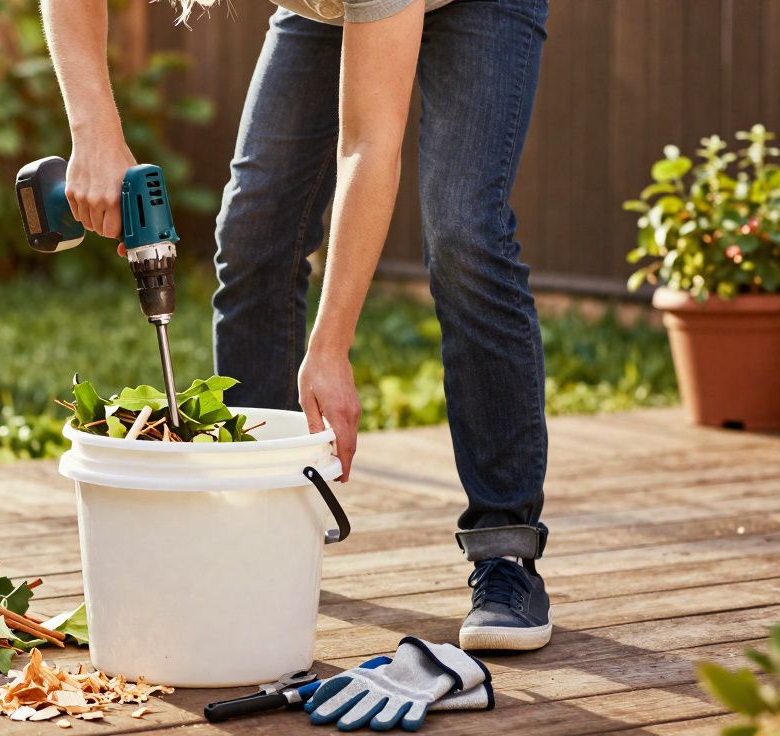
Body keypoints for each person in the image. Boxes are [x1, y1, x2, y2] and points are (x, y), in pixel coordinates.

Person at [40, 0, 552, 651]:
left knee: (464, 232)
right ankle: (259, 523)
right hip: (329, 11)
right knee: (255, 231)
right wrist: (96, 136)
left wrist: (331, 346)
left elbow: (369, 143)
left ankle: (505, 552)